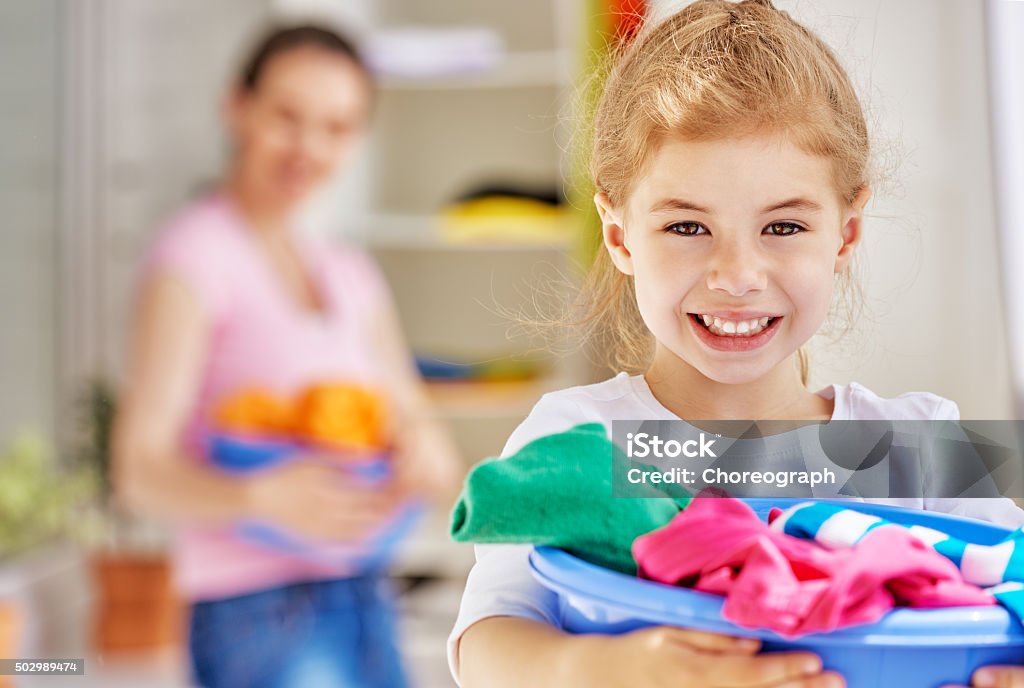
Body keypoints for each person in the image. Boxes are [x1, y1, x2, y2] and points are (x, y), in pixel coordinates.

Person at [447, 2, 1024, 687]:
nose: (737, 277)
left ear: (845, 235)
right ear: (619, 235)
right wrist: (618, 669)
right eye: (688, 228)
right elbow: (486, 643)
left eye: (782, 228)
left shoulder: (927, 445)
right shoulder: (581, 441)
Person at [112, 24, 461, 688]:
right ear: (236, 108)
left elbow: (419, 425)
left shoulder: (350, 271)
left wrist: (419, 445)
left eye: (336, 127)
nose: (309, 147)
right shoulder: (193, 257)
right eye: (287, 117)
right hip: (254, 612)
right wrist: (256, 495)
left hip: (367, 593)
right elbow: (137, 472)